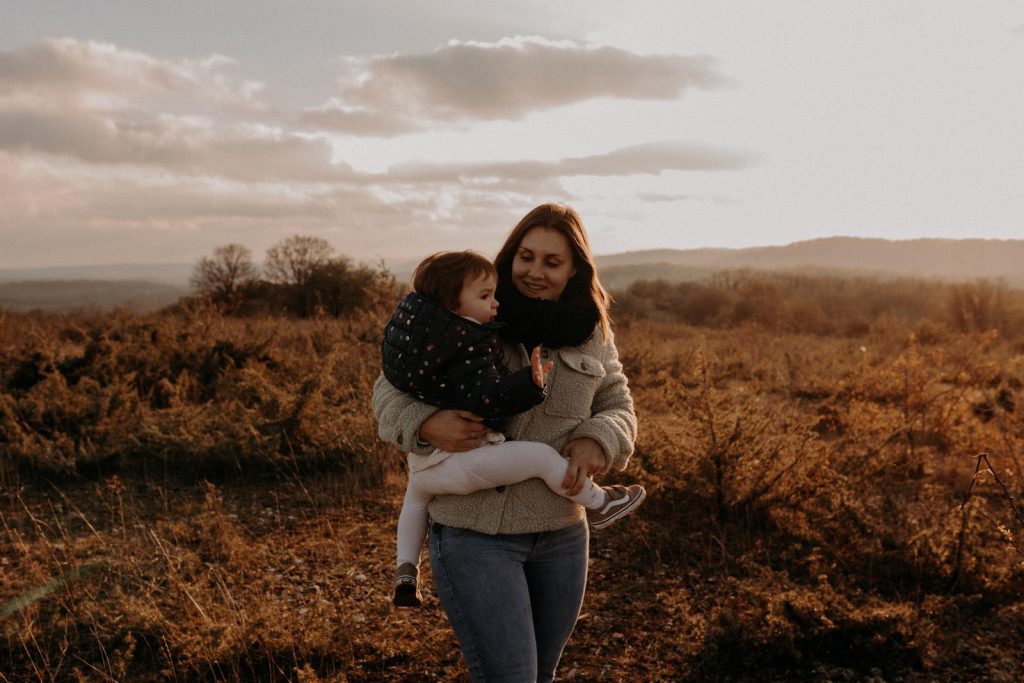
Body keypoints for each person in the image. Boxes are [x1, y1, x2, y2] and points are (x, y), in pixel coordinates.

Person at [373, 204, 638, 682]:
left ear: (575, 269)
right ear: (509, 256)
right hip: (475, 536)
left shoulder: (591, 331)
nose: (534, 272)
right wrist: (425, 422)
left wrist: (600, 440)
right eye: (525, 257)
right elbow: (388, 390)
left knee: (540, 675)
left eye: (552, 263)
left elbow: (618, 401)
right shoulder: (462, 310)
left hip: (561, 534)